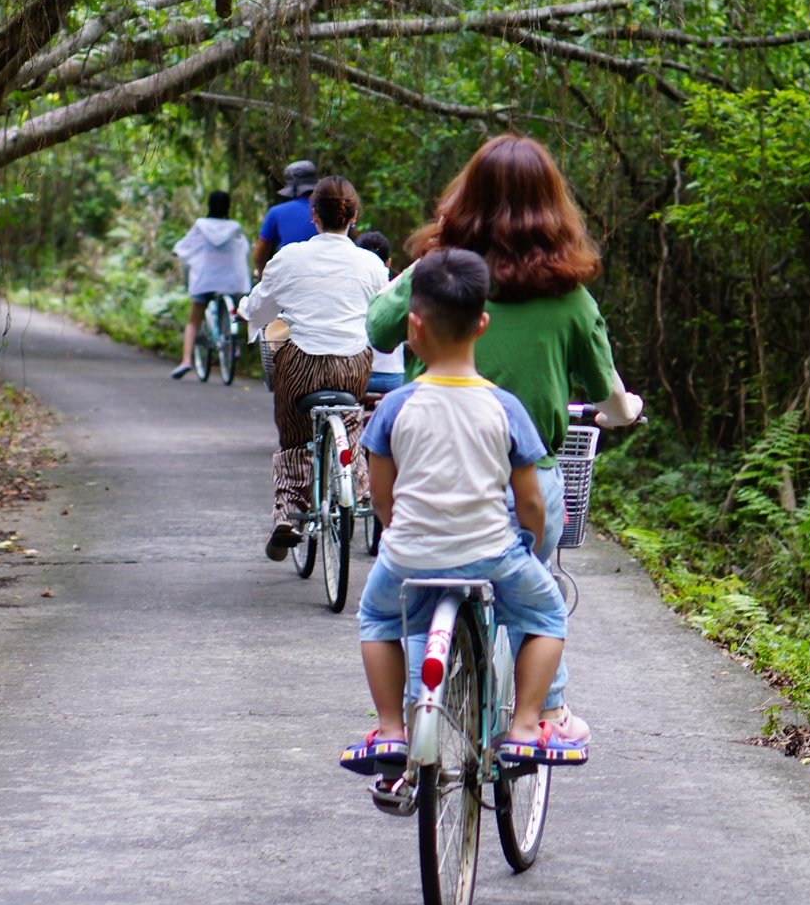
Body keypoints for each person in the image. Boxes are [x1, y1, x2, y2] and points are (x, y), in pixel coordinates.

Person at [365, 134, 642, 727]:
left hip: (426, 477)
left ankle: (414, 718)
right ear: (552, 207)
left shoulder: (436, 276)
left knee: (411, 599)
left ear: (465, 197)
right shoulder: (570, 296)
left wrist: (421, 269)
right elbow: (604, 392)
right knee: (536, 586)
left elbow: (379, 330)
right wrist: (625, 410)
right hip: (522, 486)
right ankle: (545, 714)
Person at [340, 249, 589, 779]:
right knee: (546, 614)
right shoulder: (505, 408)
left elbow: (384, 499)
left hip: (409, 556)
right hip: (490, 555)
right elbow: (529, 503)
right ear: (482, 324)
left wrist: (400, 535)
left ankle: (390, 730)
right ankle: (524, 727)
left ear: (413, 326)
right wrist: (529, 538)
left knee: (378, 618)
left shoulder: (393, 408)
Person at [243, 175, 388, 560]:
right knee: (351, 421)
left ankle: (290, 510)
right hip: (352, 366)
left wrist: (247, 311)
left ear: (314, 216)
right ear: (354, 216)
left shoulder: (290, 258)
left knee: (293, 437)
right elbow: (385, 312)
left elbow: (259, 309)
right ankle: (356, 482)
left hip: (301, 365)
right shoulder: (371, 264)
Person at [170, 191, 251, 379]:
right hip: (230, 281)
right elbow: (243, 248)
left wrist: (178, 252)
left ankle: (186, 361)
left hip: (205, 280)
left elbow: (184, 246)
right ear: (228, 207)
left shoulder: (201, 225)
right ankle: (233, 343)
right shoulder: (234, 227)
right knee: (236, 310)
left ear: (210, 205)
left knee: (194, 320)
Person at [355, 231, 406, 395]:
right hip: (391, 376)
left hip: (353, 374)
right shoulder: (399, 286)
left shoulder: (348, 288)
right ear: (389, 262)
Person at [252, 158, 320, 276]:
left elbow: (259, 256)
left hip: (290, 278)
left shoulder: (276, 212)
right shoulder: (334, 210)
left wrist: (265, 278)